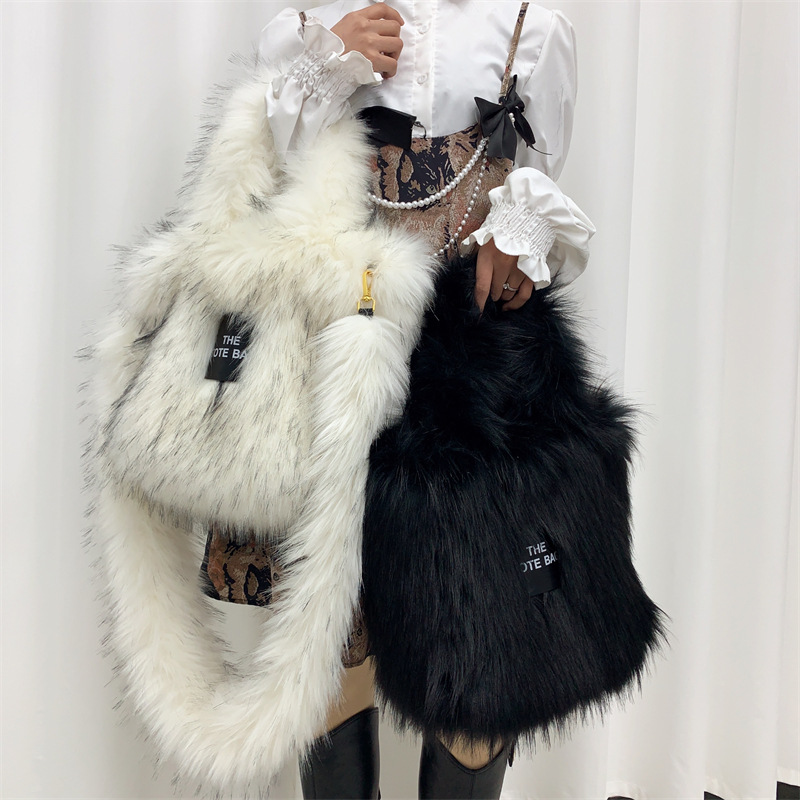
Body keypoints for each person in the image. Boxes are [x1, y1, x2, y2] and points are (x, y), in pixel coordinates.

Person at [200, 2, 595, 797]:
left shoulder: (533, 27)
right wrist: (326, 64)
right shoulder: (310, 22)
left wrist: (521, 225)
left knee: (480, 659)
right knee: (327, 652)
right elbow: (255, 184)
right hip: (326, 365)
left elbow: (540, 179)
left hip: (472, 379)